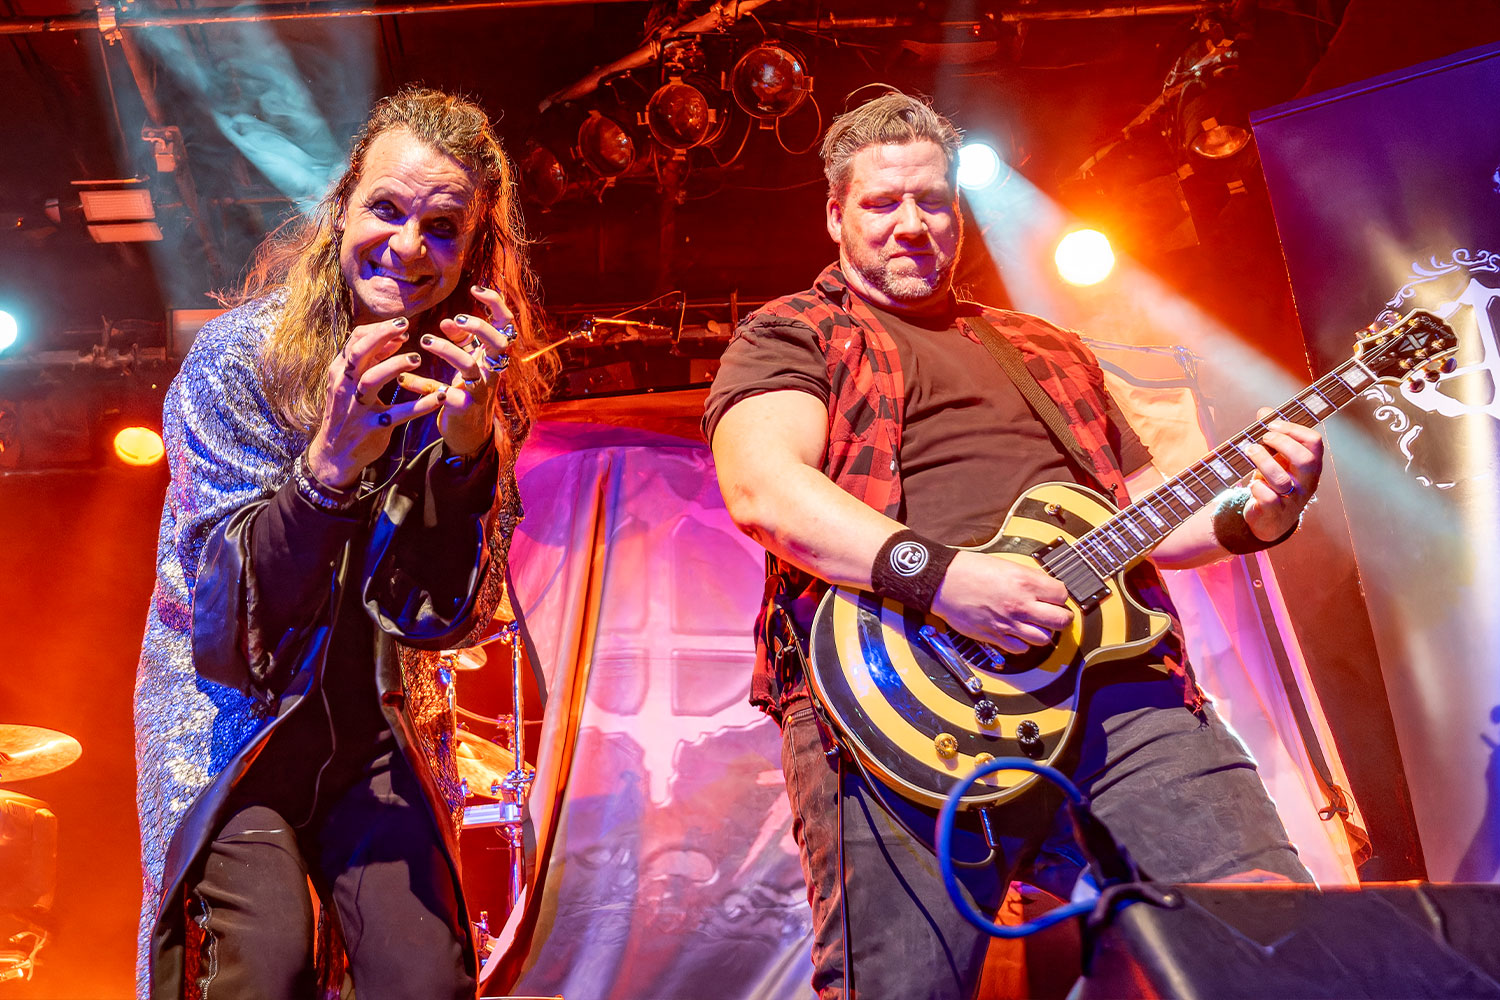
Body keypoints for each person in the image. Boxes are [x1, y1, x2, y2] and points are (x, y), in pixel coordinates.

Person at [704, 91, 1325, 999]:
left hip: (1118, 684)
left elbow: (1144, 511)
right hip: (900, 698)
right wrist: (947, 581)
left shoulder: (1045, 346)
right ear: (835, 215)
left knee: (1279, 948)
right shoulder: (795, 332)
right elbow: (765, 490)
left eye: (933, 201)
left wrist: (1261, 512)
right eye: (882, 202)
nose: (912, 223)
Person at [134, 86, 556, 999]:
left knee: (426, 977)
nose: (408, 247)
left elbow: (452, 616)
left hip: (377, 731)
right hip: (232, 728)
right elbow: (230, 616)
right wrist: (326, 469)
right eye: (386, 209)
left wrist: (468, 458)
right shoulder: (239, 361)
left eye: (442, 229)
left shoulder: (469, 387)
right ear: (340, 211)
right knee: (263, 963)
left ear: (473, 252)